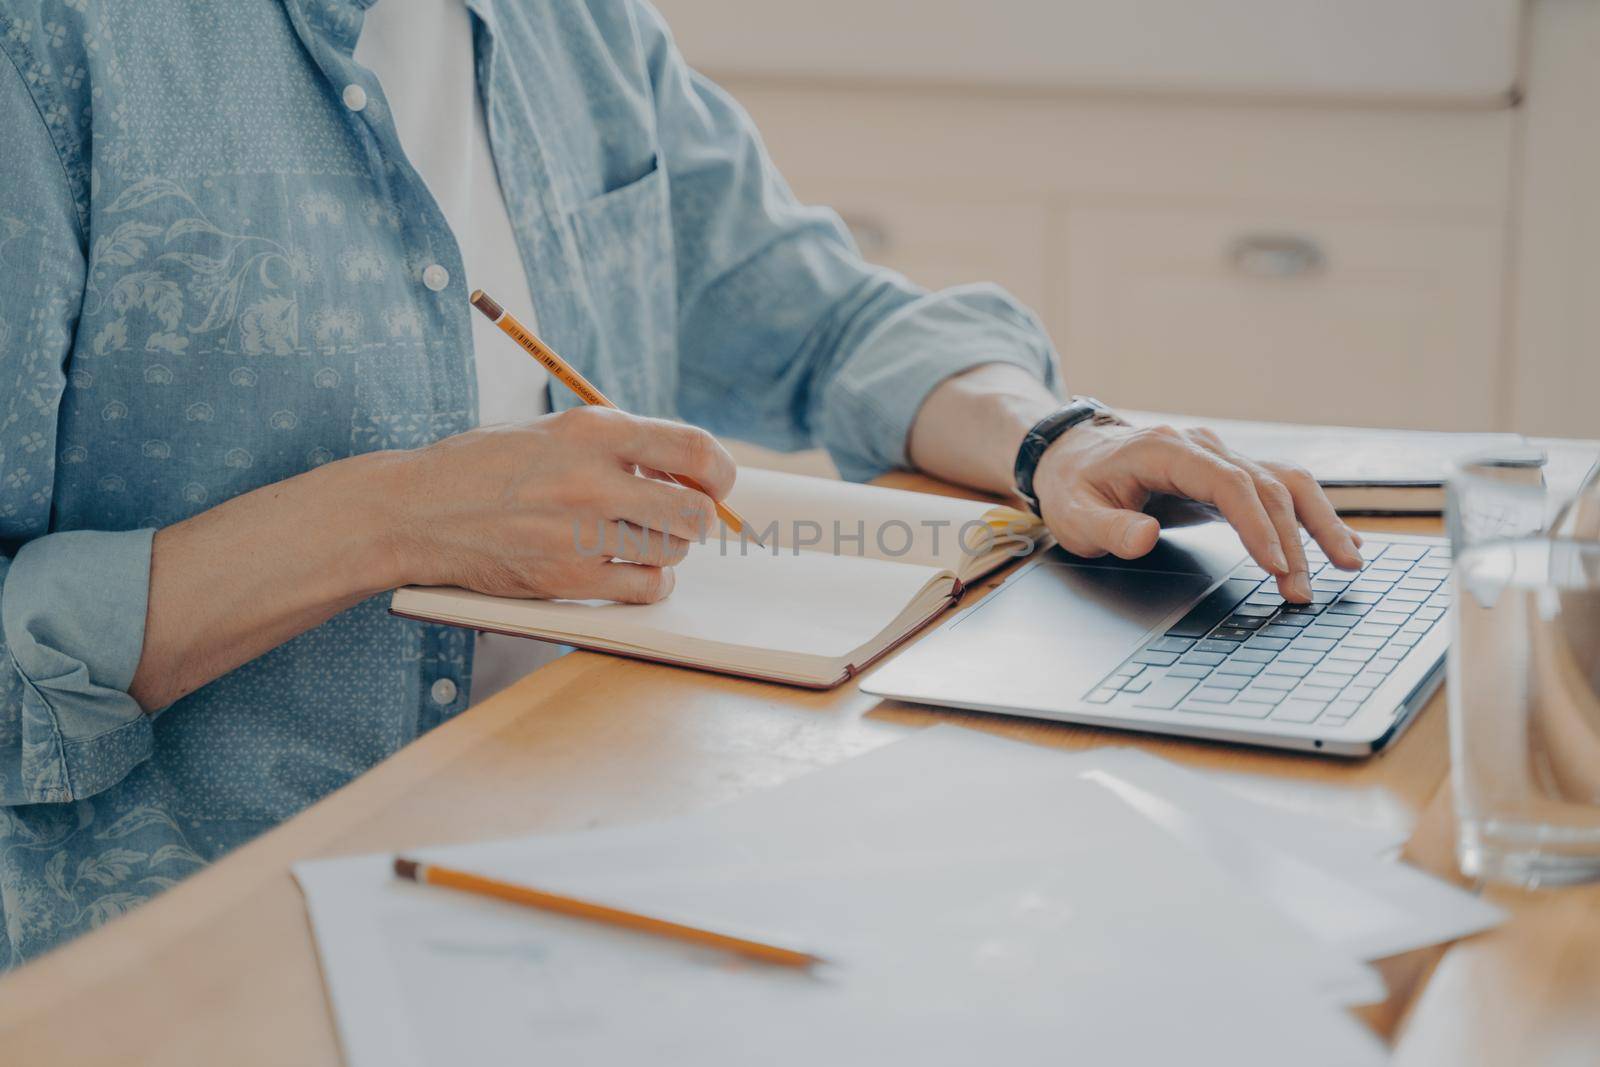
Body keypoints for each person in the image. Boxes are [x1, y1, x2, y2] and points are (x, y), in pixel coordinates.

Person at [0, 0, 1362, 968]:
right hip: (192, 925)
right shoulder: (54, 44)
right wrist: (400, 519)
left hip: (590, 846)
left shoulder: (576, 27)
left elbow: (817, 317)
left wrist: (1051, 438)